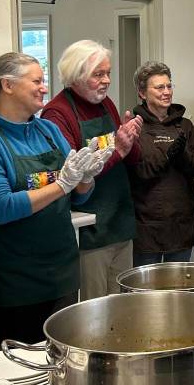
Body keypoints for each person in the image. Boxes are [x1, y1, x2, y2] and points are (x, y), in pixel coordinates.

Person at [0, 52, 111, 344]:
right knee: (27, 367)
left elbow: (77, 200)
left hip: (60, 269)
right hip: (13, 277)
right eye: (37, 81)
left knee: (62, 359)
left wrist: (86, 178)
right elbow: (1, 207)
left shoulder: (48, 130)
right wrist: (63, 184)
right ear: (8, 85)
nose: (44, 88)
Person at [41, 40, 143, 298]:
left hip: (120, 224)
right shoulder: (57, 113)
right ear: (75, 75)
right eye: (98, 74)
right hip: (89, 231)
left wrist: (131, 140)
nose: (106, 80)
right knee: (95, 317)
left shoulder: (105, 103)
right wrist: (118, 149)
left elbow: (130, 160)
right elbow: (74, 175)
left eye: (107, 73)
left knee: (124, 311)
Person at [127, 61, 194, 265]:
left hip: (181, 225)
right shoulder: (134, 127)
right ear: (142, 93)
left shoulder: (185, 126)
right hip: (146, 227)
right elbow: (139, 172)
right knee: (145, 292)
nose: (166, 92)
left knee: (177, 290)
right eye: (159, 87)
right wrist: (168, 156)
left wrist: (182, 153)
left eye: (169, 86)